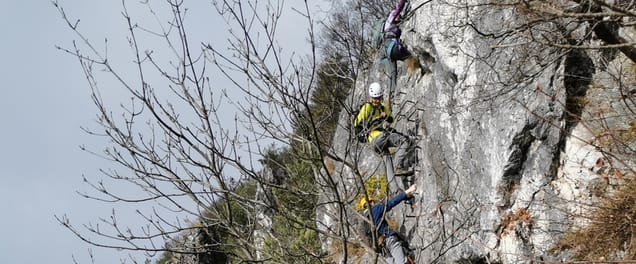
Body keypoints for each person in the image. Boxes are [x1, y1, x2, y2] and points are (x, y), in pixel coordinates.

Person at [354, 82, 415, 189]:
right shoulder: (367, 107)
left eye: (379, 98)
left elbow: (391, 119)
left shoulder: (382, 107)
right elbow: (357, 125)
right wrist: (368, 130)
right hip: (376, 138)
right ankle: (398, 166)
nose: (377, 100)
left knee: (387, 159)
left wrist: (385, 116)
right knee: (404, 140)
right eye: (375, 98)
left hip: (378, 141)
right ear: (371, 97)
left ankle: (396, 190)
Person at [359, 184, 417, 264]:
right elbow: (392, 202)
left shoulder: (364, 222)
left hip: (382, 250)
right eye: (373, 201)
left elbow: (367, 238)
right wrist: (408, 191)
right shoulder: (376, 209)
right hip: (389, 239)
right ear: (371, 202)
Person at [382, 0, 411, 101]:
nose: (399, 17)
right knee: (411, 55)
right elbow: (399, 7)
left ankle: (392, 96)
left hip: (388, 53)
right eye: (398, 16)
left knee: (393, 74)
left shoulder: (387, 27)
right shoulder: (390, 19)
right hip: (393, 48)